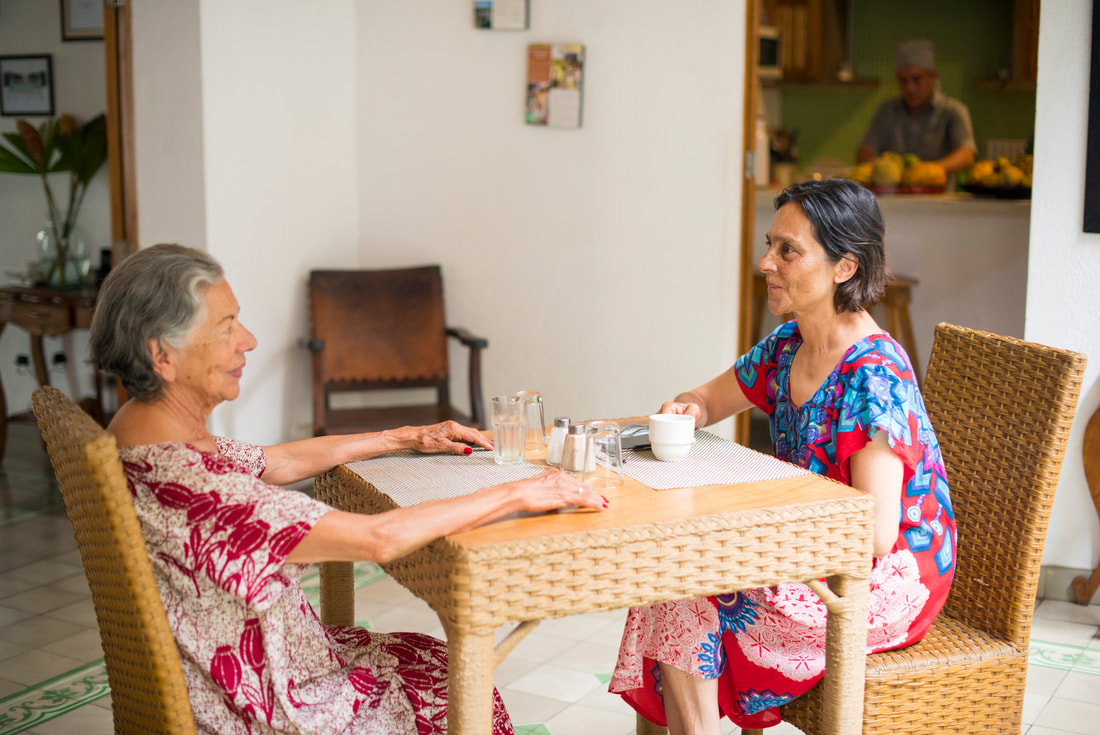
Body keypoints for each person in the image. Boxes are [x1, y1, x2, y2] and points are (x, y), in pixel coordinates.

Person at [88, 244, 607, 735]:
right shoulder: (196, 486)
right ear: (163, 355)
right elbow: (378, 538)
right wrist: (520, 491)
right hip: (271, 707)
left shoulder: (144, 433)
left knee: (430, 659)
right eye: (226, 328)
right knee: (457, 689)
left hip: (238, 671)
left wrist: (403, 436)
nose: (248, 340)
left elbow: (278, 461)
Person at [609, 179, 955, 733]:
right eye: (770, 244)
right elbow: (706, 398)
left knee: (681, 591)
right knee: (669, 574)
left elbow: (874, 534)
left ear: (844, 267)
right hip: (807, 554)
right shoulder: (788, 344)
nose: (766, 262)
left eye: (788, 250)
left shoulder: (874, 375)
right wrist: (686, 410)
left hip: (878, 583)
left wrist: (759, 529)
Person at [857, 40, 976, 175]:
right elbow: (864, 152)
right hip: (893, 189)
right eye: (903, 80)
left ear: (933, 77)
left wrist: (926, 171)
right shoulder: (886, 110)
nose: (910, 88)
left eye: (916, 79)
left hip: (939, 189)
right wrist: (879, 168)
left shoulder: (953, 111)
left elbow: (967, 155)